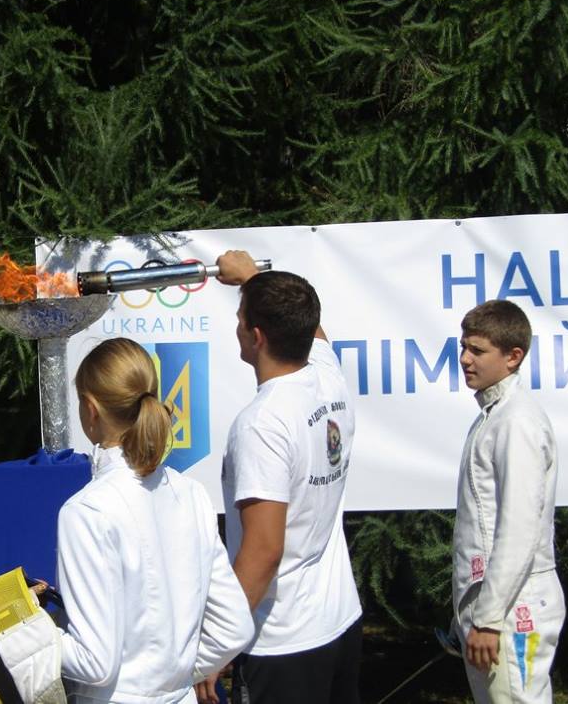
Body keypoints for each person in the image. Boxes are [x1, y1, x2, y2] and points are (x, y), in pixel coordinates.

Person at [197, 250, 362, 704]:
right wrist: (253, 278)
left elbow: (264, 551)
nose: (236, 326)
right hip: (339, 621)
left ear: (255, 336)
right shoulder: (328, 378)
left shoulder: (261, 424)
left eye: (240, 318)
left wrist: (215, 648)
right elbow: (315, 333)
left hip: (283, 642)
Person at [56, 337, 254, 703]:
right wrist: (173, 676)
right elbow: (235, 627)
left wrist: (30, 639)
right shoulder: (191, 494)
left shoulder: (86, 511)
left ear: (90, 408)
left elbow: (94, 662)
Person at [451, 300, 565, 703]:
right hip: (496, 606)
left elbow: (518, 529)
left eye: (477, 351)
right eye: (463, 347)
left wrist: (487, 618)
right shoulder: (494, 416)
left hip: (515, 611)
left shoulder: (517, 422)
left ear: (513, 357)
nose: (465, 359)